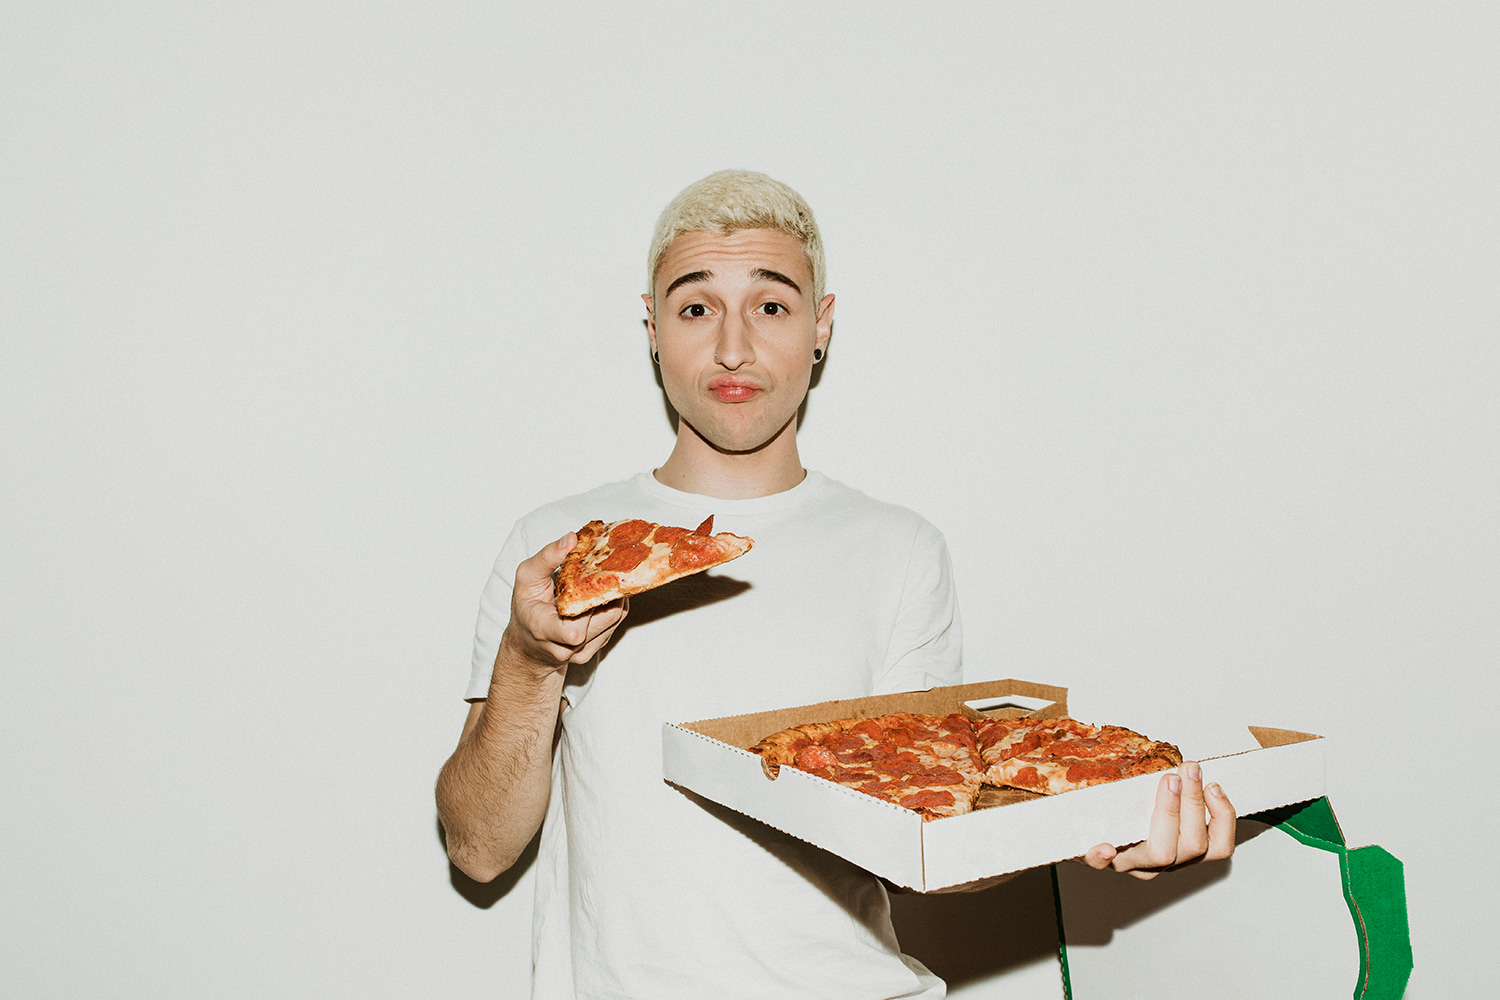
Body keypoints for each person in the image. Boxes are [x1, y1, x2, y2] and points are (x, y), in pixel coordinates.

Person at [436, 169, 1236, 999]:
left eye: (772, 306)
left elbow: (927, 845)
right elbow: (479, 849)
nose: (733, 348)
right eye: (696, 307)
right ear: (652, 328)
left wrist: (1091, 819)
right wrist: (531, 661)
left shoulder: (899, 550)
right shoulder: (563, 550)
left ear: (821, 328)